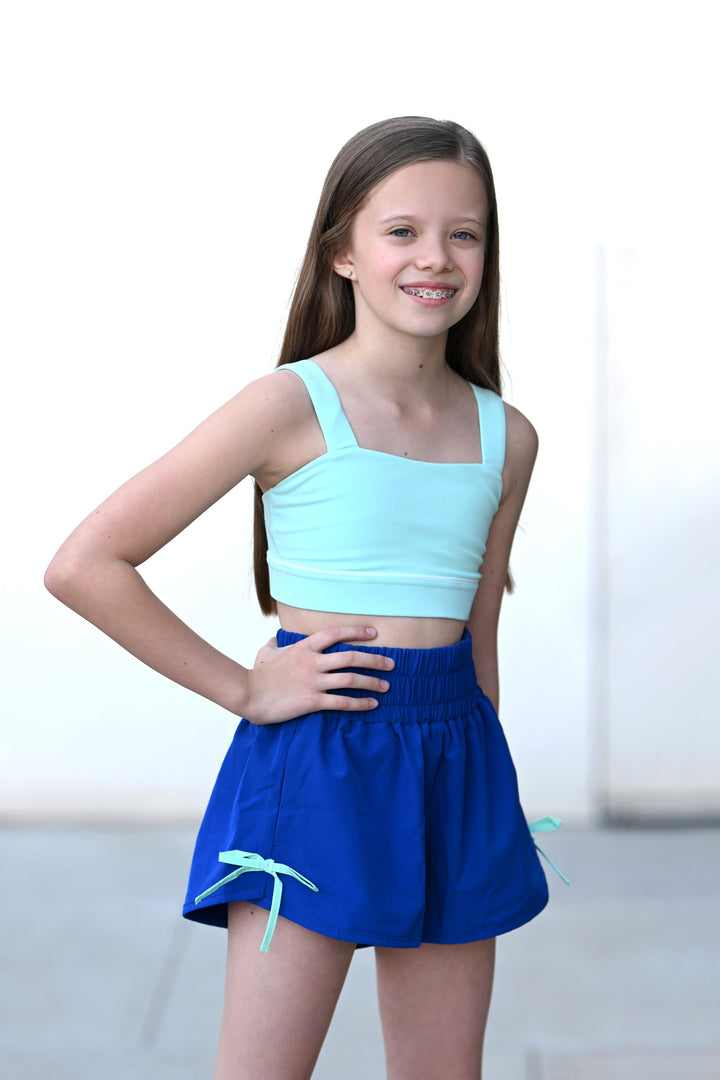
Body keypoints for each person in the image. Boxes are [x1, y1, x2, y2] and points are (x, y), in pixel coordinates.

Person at [45, 116, 565, 1080]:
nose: (436, 257)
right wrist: (247, 690)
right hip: (321, 757)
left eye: (466, 233)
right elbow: (87, 564)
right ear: (344, 254)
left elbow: (479, 628)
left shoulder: (509, 436)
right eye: (401, 230)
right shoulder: (286, 405)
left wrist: (485, 781)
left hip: (455, 757)